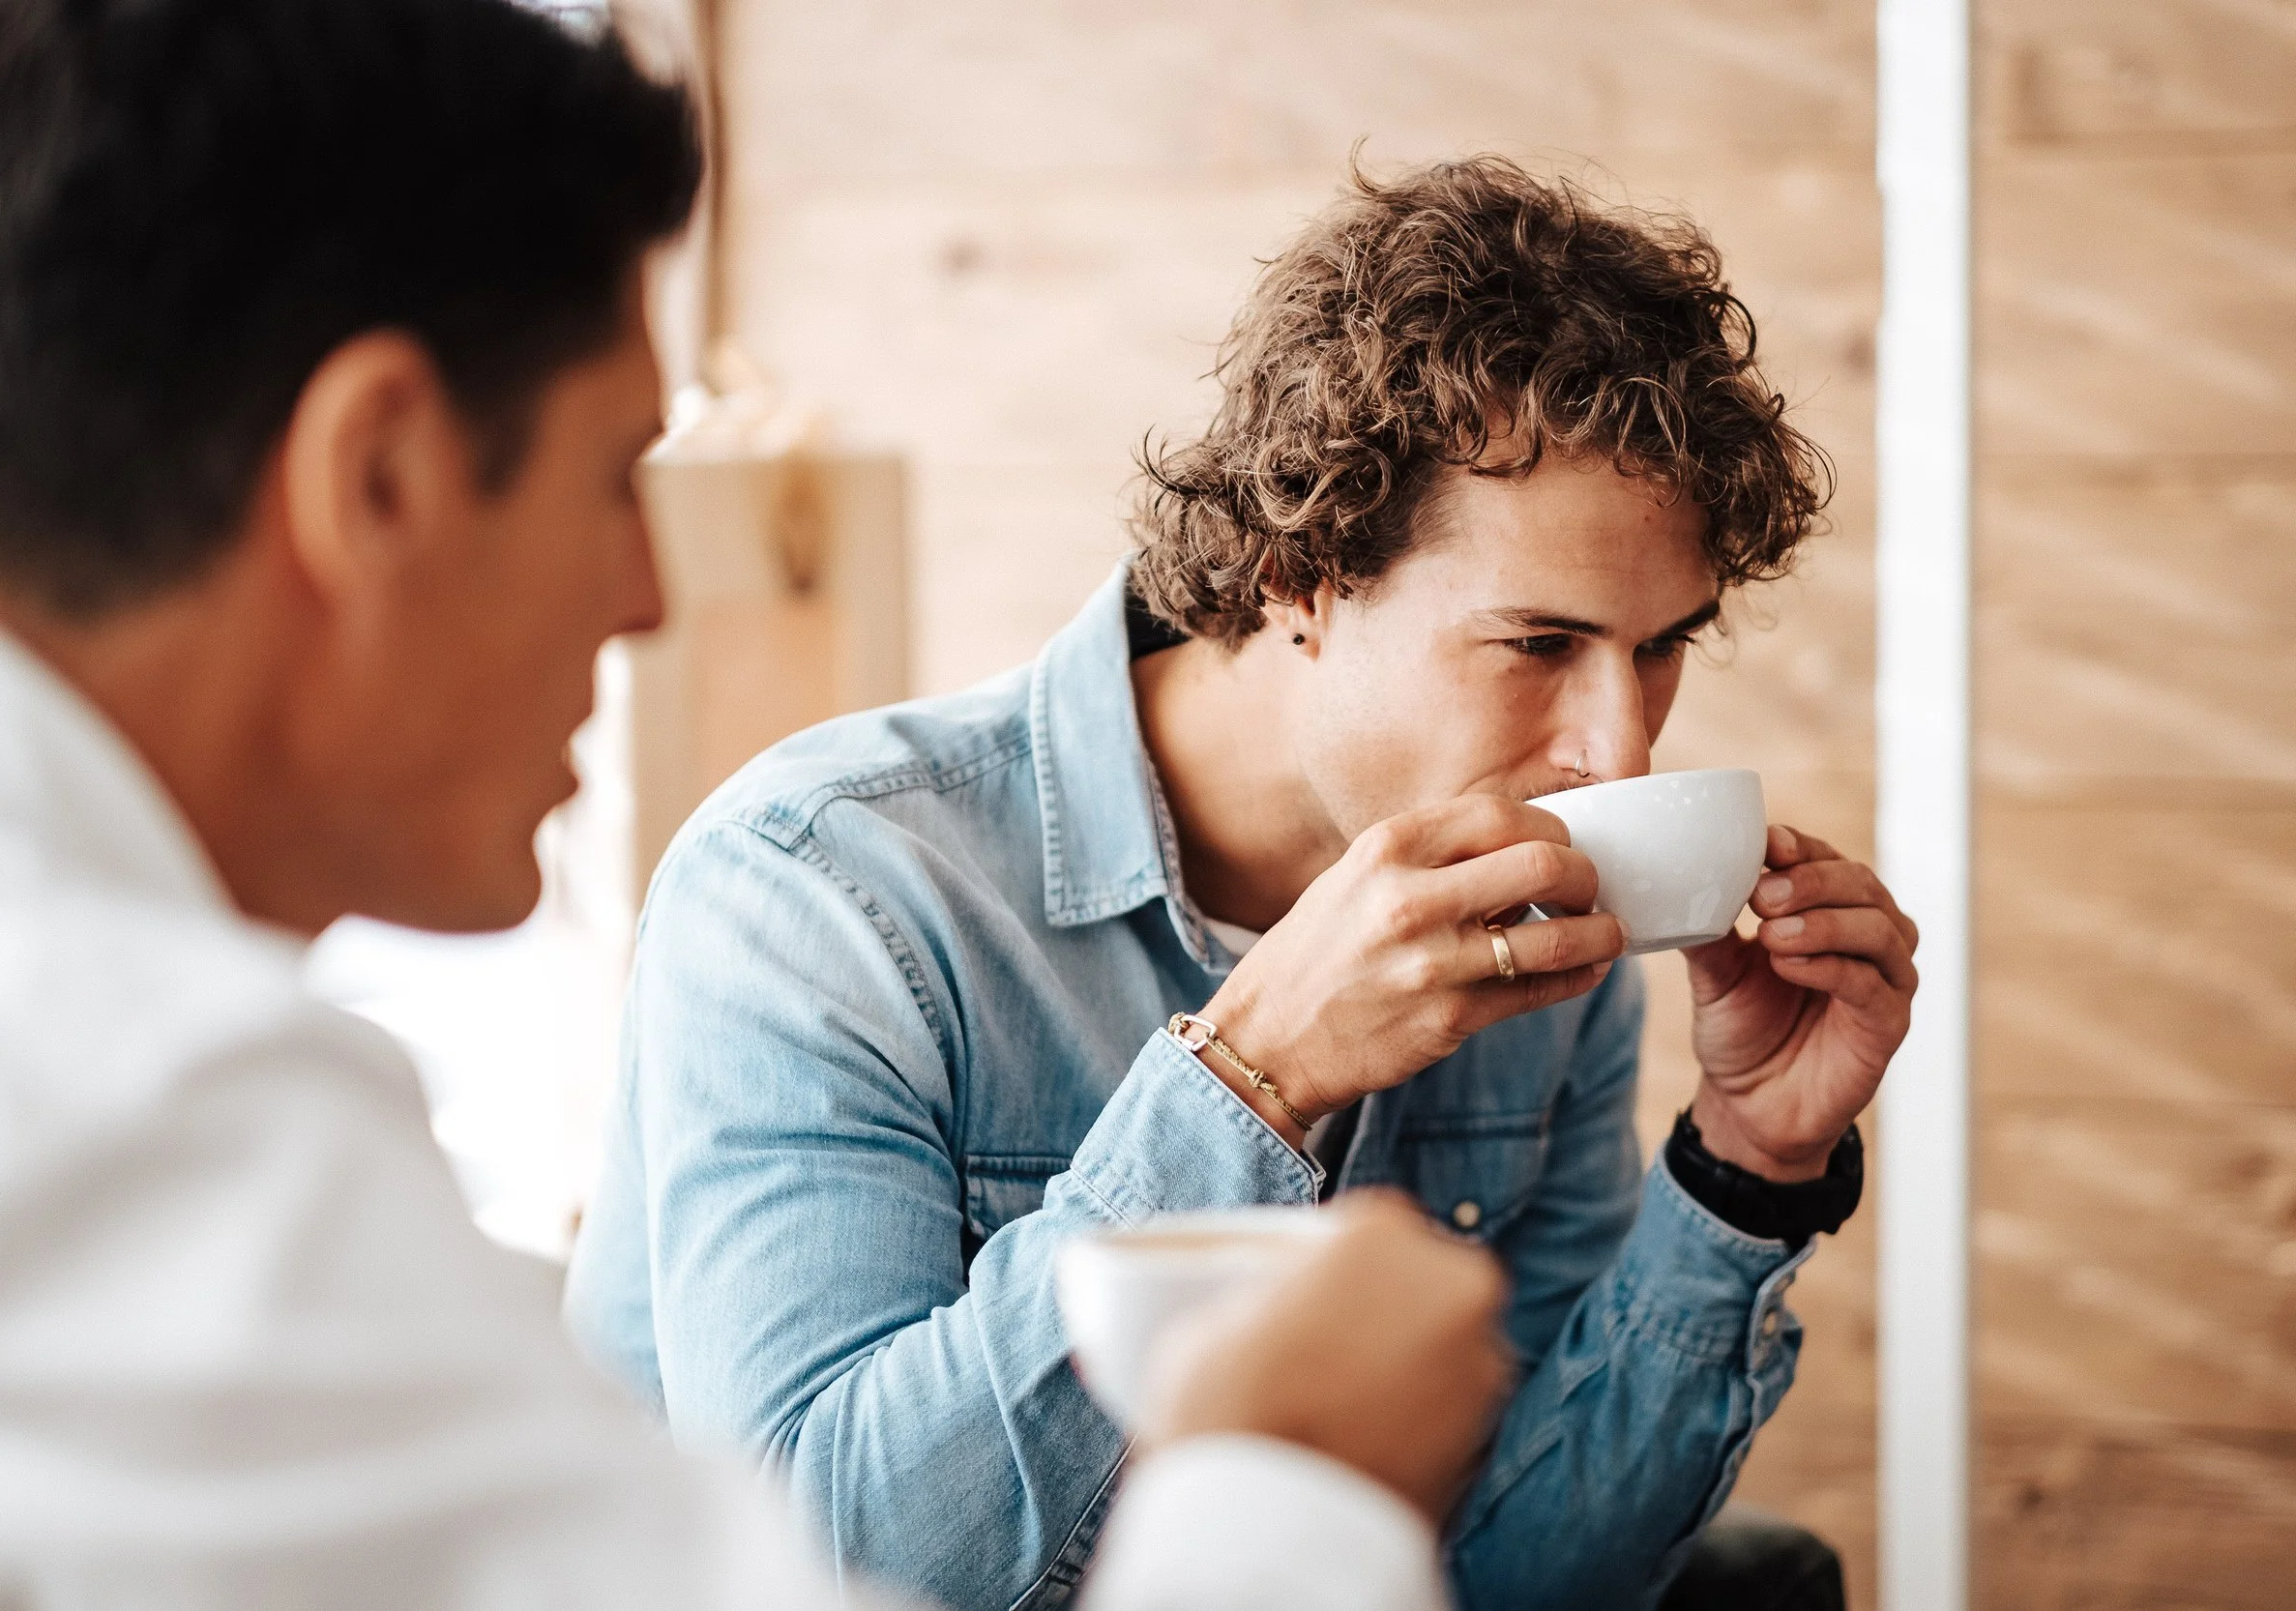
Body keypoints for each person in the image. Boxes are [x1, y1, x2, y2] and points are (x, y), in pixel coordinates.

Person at [0, 1, 1519, 1606]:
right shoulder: (136, 1114)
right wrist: (1282, 1479)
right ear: (378, 477)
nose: (650, 596)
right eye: (615, 482)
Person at [567, 156, 1918, 1611]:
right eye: (1541, 646)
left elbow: (1507, 1583)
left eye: (1662, 647)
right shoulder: (825, 892)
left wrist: (1745, 1173)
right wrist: (1250, 1078)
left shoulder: (1543, 931)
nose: (1620, 745)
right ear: (1299, 574)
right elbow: (821, 1564)